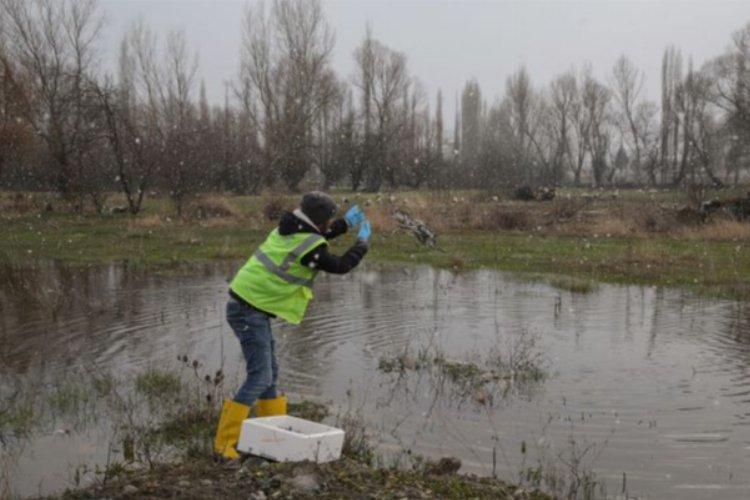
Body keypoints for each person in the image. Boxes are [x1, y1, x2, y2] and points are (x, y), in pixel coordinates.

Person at [214, 192, 371, 459]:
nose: (329, 224)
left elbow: (316, 241)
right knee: (261, 376)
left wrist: (345, 223)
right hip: (247, 311)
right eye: (329, 220)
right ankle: (224, 444)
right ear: (319, 220)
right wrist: (362, 244)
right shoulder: (307, 244)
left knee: (270, 374)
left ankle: (271, 438)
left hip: (249, 307)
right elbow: (339, 264)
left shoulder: (290, 228)